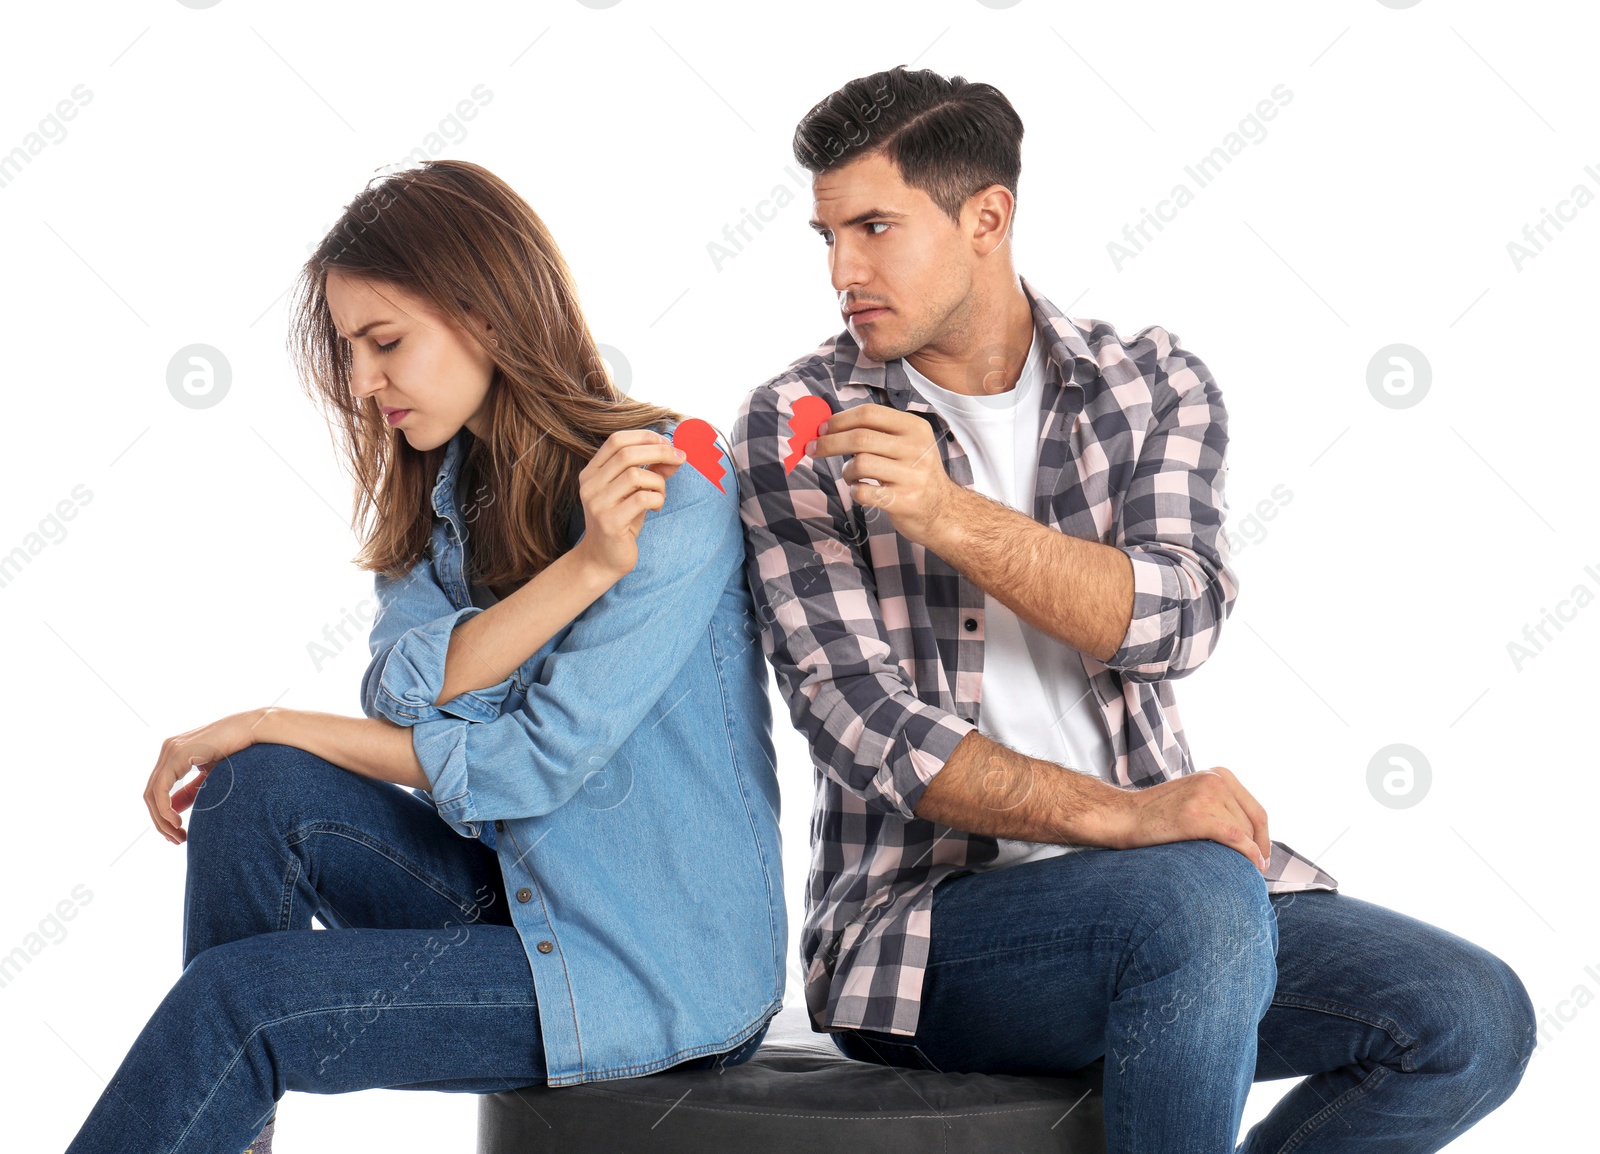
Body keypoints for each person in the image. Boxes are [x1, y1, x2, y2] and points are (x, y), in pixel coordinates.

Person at [730, 65, 1535, 1153]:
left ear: (986, 217)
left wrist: (947, 513)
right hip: (921, 933)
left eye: (873, 227)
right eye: (826, 234)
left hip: (1178, 892)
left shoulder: (1148, 383)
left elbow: (1178, 615)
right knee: (1193, 900)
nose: (842, 269)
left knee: (1468, 1017)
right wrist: (1129, 817)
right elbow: (861, 724)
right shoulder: (800, 419)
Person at [66, 159, 785, 1154]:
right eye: (351, 350)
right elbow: (402, 691)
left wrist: (273, 713)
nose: (362, 382)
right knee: (250, 788)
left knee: (241, 1001)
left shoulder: (669, 492)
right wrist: (578, 573)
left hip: (651, 960)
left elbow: (532, 764)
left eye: (384, 342)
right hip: (517, 893)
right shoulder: (441, 505)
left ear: (485, 315)